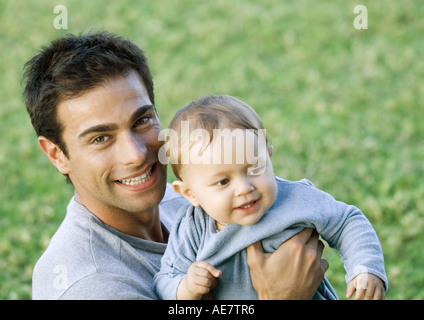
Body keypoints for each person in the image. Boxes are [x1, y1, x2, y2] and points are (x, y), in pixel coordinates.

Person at [23, 31, 328, 299]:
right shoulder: (91, 286)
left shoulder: (187, 201)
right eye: (101, 138)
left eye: (142, 120)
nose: (136, 154)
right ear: (56, 154)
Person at [153, 94, 388, 300]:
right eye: (223, 181)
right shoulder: (192, 229)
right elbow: (165, 279)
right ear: (190, 193)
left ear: (269, 156)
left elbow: (347, 222)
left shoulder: (296, 198)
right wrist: (185, 287)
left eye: (254, 169)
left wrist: (365, 267)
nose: (244, 188)